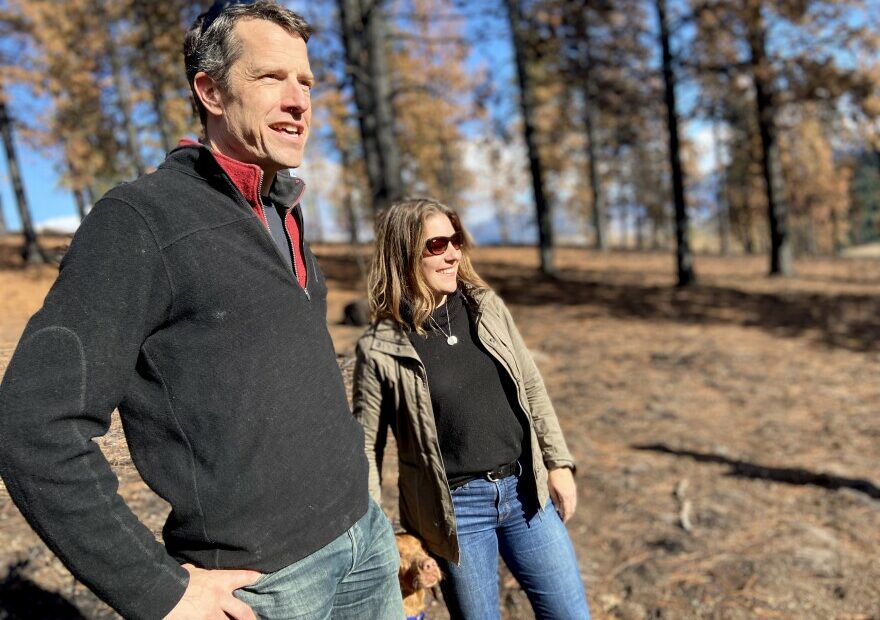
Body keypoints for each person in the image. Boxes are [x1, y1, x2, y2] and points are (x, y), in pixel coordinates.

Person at [0, 2, 404, 619]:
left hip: (365, 542)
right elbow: (34, 425)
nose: (299, 99)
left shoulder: (282, 209)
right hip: (266, 586)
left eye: (306, 82)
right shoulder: (140, 221)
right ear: (210, 91)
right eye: (271, 78)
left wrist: (368, 505)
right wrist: (158, 590)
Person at [353, 198, 592, 619]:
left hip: (525, 492)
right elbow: (366, 450)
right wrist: (377, 534)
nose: (452, 253)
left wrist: (559, 464)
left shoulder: (485, 307)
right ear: (403, 254)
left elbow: (531, 386)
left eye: (456, 239)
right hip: (456, 516)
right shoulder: (381, 347)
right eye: (436, 244)